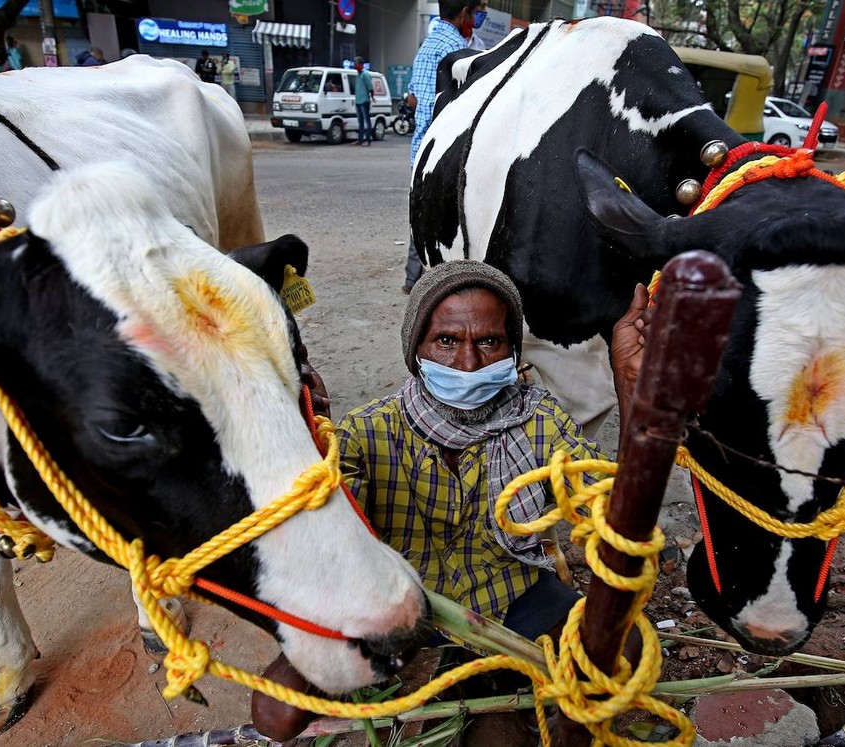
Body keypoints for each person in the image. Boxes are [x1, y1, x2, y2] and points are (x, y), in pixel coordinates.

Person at [251, 260, 651, 741]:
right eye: (446, 341)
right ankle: (477, 674)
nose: (468, 363)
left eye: (489, 342)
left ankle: (524, 699)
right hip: (400, 602)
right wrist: (307, 433)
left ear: (512, 350)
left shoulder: (539, 420)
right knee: (275, 714)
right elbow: (318, 540)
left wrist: (634, 389)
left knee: (623, 650)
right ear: (415, 348)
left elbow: (613, 514)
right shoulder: (368, 431)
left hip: (512, 595)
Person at [402, 0, 476, 293]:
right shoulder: (459, 51)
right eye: (474, 12)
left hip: (420, 149)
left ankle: (412, 279)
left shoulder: (426, 46)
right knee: (448, 217)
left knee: (419, 211)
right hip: (448, 150)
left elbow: (412, 99)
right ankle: (445, 282)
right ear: (463, 14)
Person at [353, 56, 374, 146]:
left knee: (366, 121)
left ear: (361, 64)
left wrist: (372, 97)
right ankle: (360, 139)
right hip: (358, 101)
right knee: (360, 121)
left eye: (356, 64)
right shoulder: (358, 75)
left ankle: (368, 139)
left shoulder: (365, 74)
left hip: (364, 100)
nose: (355, 65)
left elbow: (370, 87)